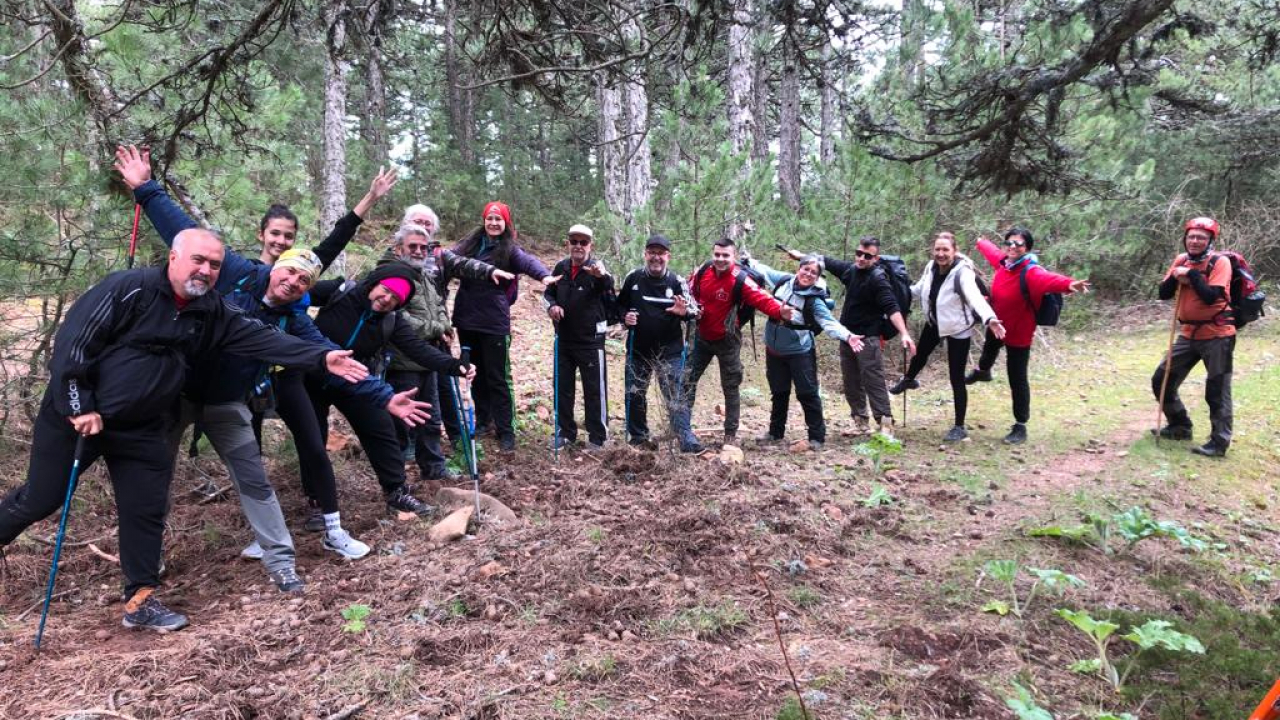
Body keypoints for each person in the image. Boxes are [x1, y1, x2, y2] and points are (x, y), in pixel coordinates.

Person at [0, 229, 368, 632]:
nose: (206, 270)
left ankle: (140, 599)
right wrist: (80, 406)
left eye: (214, 264)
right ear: (174, 258)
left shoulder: (209, 308)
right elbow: (73, 346)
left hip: (143, 425)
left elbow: (259, 338)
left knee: (146, 508)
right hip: (79, 420)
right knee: (40, 498)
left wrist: (321, 357)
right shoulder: (128, 289)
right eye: (199, 260)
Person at [116, 146, 423, 554]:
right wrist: (145, 189)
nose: (295, 281)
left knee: (264, 463)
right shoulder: (237, 272)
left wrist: (384, 396)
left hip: (245, 388)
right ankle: (145, 557)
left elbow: (331, 353)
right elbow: (183, 230)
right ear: (267, 245)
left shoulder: (295, 315)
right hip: (185, 386)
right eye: (291, 270)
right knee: (156, 468)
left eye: (304, 280)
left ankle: (305, 537)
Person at [305, 264, 477, 517]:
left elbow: (419, 350)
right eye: (385, 291)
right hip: (311, 375)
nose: (387, 300)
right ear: (374, 284)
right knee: (312, 438)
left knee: (380, 427)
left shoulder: (391, 321)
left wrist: (455, 367)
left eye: (396, 298)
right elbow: (296, 294)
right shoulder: (340, 292)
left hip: (355, 378)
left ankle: (396, 492)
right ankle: (317, 502)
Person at [378, 224, 500, 479]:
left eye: (424, 247)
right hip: (402, 362)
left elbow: (438, 304)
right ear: (399, 249)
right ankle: (395, 480)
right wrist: (435, 328)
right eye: (413, 247)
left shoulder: (423, 273)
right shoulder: (391, 275)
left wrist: (444, 324)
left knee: (431, 419)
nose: (420, 251)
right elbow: (397, 317)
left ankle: (434, 470)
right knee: (402, 424)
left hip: (428, 359)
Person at [401, 204, 512, 452]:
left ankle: (456, 436)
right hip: (405, 336)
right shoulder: (397, 256)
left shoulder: (440, 256)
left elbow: (464, 265)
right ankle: (407, 441)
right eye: (418, 222)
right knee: (409, 385)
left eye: (428, 223)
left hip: (438, 332)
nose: (423, 227)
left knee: (445, 385)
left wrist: (491, 270)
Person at [450, 202, 554, 452]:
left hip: (494, 322)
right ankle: (485, 420)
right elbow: (450, 258)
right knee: (475, 373)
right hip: (466, 319)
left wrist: (544, 276)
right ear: (484, 221)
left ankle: (506, 430)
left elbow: (528, 262)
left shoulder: (509, 250)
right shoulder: (471, 244)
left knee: (497, 377)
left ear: (506, 223)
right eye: (490, 218)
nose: (494, 223)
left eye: (499, 219)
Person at [972, 227, 1089, 444]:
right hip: (997, 327)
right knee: (987, 355)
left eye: (1019, 244)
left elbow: (1050, 280)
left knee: (1017, 379)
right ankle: (984, 372)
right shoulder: (1003, 263)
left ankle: (1020, 425)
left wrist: (1070, 284)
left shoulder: (1030, 271)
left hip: (1019, 335)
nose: (1013, 247)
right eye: (1010, 243)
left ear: (1027, 248)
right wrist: (981, 242)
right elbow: (992, 252)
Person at [888, 232, 1006, 442]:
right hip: (935, 322)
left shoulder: (963, 273)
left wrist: (990, 318)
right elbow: (920, 289)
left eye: (945, 250)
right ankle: (908, 380)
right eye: (937, 249)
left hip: (958, 328)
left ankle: (959, 426)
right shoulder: (931, 267)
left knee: (956, 377)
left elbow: (975, 297)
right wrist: (897, 293)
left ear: (955, 251)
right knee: (919, 354)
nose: (940, 254)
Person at [748, 254, 864, 450]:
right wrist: (749, 261)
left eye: (814, 273)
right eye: (806, 269)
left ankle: (816, 437)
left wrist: (848, 336)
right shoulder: (784, 280)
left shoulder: (814, 301)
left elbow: (829, 323)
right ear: (799, 269)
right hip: (774, 349)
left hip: (800, 352)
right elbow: (765, 271)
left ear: (818, 277)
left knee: (807, 393)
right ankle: (775, 433)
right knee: (779, 392)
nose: (808, 274)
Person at [687, 238, 792, 445]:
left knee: (731, 385)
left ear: (733, 257)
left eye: (725, 255)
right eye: (717, 254)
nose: (720, 259)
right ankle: (682, 428)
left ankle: (730, 434)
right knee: (687, 382)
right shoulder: (704, 271)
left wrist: (780, 310)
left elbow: (761, 298)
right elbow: (690, 290)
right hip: (701, 336)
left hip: (728, 339)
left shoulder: (740, 279)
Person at [1151, 217, 1235, 458]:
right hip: (1188, 334)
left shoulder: (1221, 263)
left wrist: (1193, 276)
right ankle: (1179, 426)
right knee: (1162, 379)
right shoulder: (1181, 259)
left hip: (1218, 335)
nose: (1195, 241)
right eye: (1191, 236)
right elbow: (1164, 293)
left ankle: (1219, 443)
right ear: (1185, 238)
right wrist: (1176, 275)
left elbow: (1211, 297)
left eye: (1201, 237)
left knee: (1217, 390)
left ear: (1210, 240)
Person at [817, 237, 916, 438]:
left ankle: (885, 422)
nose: (861, 258)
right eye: (858, 253)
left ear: (875, 258)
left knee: (873, 380)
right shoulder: (851, 270)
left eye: (867, 256)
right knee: (851, 381)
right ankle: (860, 421)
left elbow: (892, 307)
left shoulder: (877, 279)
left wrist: (904, 333)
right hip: (847, 337)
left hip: (868, 339)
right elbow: (828, 261)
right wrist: (802, 256)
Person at [615, 235, 703, 453]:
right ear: (645, 254)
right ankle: (638, 437)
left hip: (670, 351)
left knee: (675, 394)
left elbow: (695, 311)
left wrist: (684, 313)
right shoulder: (633, 278)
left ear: (668, 257)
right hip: (638, 348)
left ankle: (685, 438)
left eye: (660, 253)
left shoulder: (676, 281)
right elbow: (618, 306)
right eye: (652, 252)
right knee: (634, 392)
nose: (656, 257)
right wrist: (625, 317)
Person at [544, 224, 614, 449]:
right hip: (563, 338)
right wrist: (552, 307)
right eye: (574, 241)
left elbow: (609, 285)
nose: (578, 246)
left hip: (591, 341)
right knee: (562, 387)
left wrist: (600, 276)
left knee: (594, 389)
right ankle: (565, 432)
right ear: (568, 243)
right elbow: (548, 293)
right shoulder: (560, 268)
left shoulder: (597, 269)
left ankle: (597, 436)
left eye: (583, 242)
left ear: (590, 245)